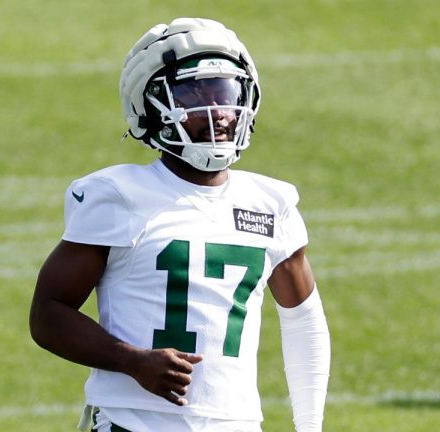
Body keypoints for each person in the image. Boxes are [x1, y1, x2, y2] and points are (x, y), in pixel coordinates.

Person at [29, 18, 331, 432]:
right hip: (133, 424)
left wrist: (310, 426)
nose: (218, 110)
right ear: (149, 104)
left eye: (225, 92)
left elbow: (303, 320)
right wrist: (130, 361)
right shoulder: (118, 195)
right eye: (194, 92)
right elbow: (48, 313)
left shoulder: (271, 203)